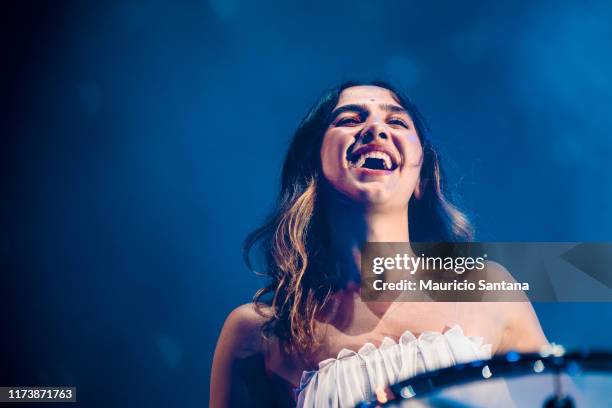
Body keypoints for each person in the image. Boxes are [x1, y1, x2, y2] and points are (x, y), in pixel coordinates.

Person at [210, 81, 548, 407]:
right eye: (350, 119)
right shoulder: (259, 334)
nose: (376, 130)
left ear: (422, 176)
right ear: (312, 162)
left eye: (396, 121)